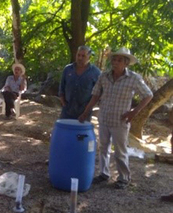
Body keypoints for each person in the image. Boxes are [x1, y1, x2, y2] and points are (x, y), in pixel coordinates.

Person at [78, 48, 153, 189]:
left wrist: (134, 112)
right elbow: (95, 95)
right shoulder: (104, 76)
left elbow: (148, 95)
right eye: (114, 59)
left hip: (121, 120)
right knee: (103, 147)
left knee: (120, 150)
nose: (115, 62)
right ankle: (104, 173)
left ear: (126, 63)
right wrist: (85, 112)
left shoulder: (133, 78)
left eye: (119, 60)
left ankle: (124, 178)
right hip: (104, 117)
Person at [59, 45, 101, 120]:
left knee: (80, 132)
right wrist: (64, 104)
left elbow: (97, 94)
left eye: (83, 56)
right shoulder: (68, 69)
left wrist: (87, 110)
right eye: (78, 55)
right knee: (65, 131)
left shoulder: (96, 73)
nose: (80, 58)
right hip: (67, 111)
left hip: (84, 113)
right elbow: (61, 88)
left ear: (89, 57)